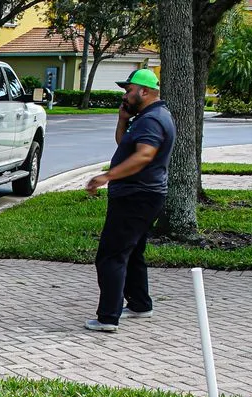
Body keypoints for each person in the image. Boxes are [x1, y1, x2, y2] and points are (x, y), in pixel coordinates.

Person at [84, 69, 176, 333]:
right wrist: (122, 120)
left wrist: (107, 176)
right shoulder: (150, 116)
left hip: (136, 196)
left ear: (144, 91)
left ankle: (107, 318)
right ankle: (139, 304)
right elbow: (125, 145)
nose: (125, 95)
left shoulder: (151, 120)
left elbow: (144, 155)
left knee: (110, 256)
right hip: (145, 195)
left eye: (129, 90)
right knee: (133, 252)